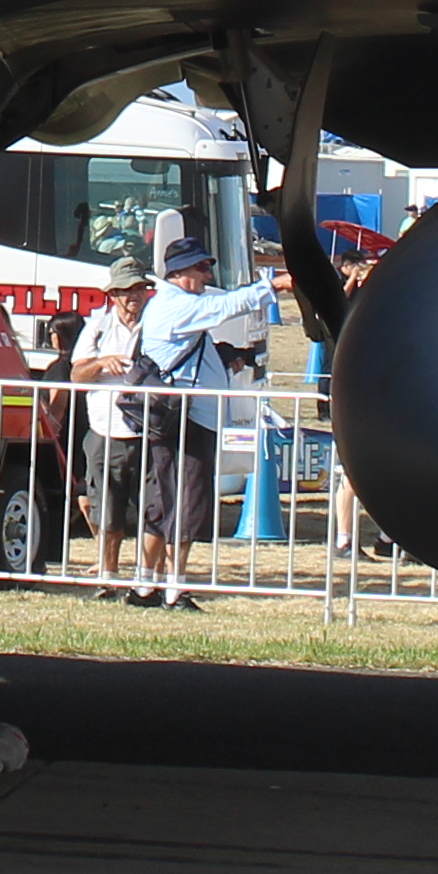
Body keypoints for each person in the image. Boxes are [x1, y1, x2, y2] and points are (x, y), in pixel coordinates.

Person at [125, 228, 277, 608]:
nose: (208, 276)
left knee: (166, 500)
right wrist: (276, 286)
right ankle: (175, 587)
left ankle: (146, 584)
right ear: (179, 272)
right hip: (187, 419)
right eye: (201, 268)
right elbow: (224, 307)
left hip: (181, 417)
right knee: (187, 502)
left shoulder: (172, 303)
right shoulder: (177, 305)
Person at [66, 259, 147, 582]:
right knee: (105, 506)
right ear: (113, 295)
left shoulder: (156, 324)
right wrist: (102, 363)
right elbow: (76, 374)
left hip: (148, 429)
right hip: (105, 428)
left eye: (140, 289)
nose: (134, 297)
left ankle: (147, 574)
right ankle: (108, 570)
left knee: (151, 509)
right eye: (127, 291)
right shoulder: (98, 326)